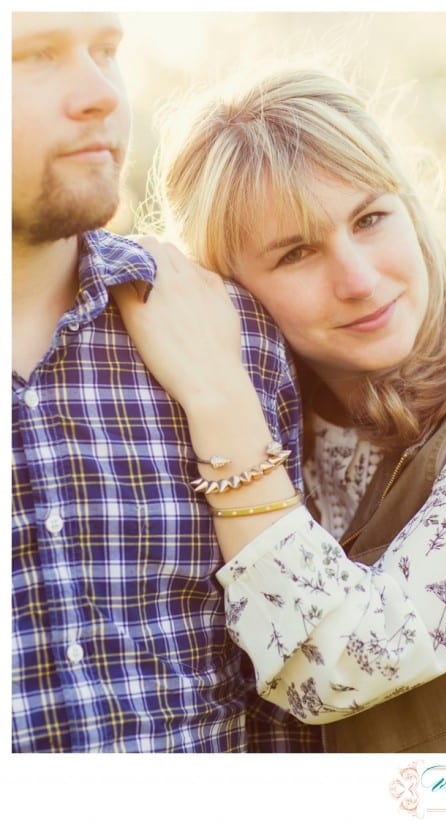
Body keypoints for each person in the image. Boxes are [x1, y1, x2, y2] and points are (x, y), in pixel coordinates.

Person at [112, 68, 446, 753]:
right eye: (296, 253)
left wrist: (220, 399)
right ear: (228, 288)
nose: (359, 279)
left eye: (370, 218)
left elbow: (341, 666)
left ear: (410, 206)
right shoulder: (273, 406)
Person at [11, 12, 319, 752]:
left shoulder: (223, 329)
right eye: (32, 56)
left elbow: (286, 696)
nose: (101, 95)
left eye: (107, 51)